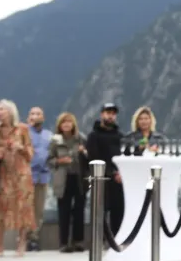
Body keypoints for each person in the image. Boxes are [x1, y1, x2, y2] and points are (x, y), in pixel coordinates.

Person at [0, 99, 36, 257]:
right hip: (3, 172)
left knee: (23, 206)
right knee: (1, 206)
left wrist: (20, 147)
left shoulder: (22, 129)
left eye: (2, 109)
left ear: (10, 112)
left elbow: (30, 152)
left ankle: (21, 244)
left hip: (21, 173)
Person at [47, 112, 89, 252]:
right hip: (62, 179)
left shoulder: (81, 138)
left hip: (79, 178)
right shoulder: (55, 141)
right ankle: (63, 243)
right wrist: (59, 161)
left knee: (79, 210)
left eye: (69, 122)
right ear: (60, 125)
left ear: (73, 124)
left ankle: (78, 241)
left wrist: (84, 153)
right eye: (63, 122)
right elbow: (49, 161)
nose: (66, 125)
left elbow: (89, 158)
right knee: (63, 211)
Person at [86, 103, 125, 236]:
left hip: (118, 179)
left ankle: (117, 238)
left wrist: (120, 172)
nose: (110, 116)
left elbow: (124, 155)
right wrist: (111, 172)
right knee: (100, 211)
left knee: (118, 210)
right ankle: (99, 239)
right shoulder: (93, 136)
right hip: (101, 178)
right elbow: (93, 157)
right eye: (108, 113)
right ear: (102, 114)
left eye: (113, 113)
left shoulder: (120, 136)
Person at [26, 107, 53, 251]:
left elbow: (51, 154)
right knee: (26, 207)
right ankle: (23, 237)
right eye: (32, 114)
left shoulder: (49, 135)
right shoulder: (24, 133)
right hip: (27, 176)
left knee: (38, 209)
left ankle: (34, 238)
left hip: (43, 176)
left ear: (43, 117)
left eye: (38, 114)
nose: (35, 116)